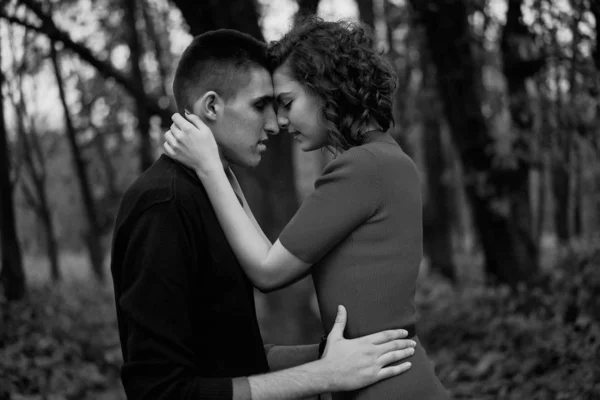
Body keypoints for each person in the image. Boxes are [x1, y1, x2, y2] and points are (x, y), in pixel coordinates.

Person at [111, 28, 418, 400]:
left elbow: (232, 358)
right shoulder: (162, 204)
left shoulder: (211, 196)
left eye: (283, 104)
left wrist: (329, 358)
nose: (275, 124)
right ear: (211, 107)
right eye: (262, 106)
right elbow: (160, 392)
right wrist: (324, 373)